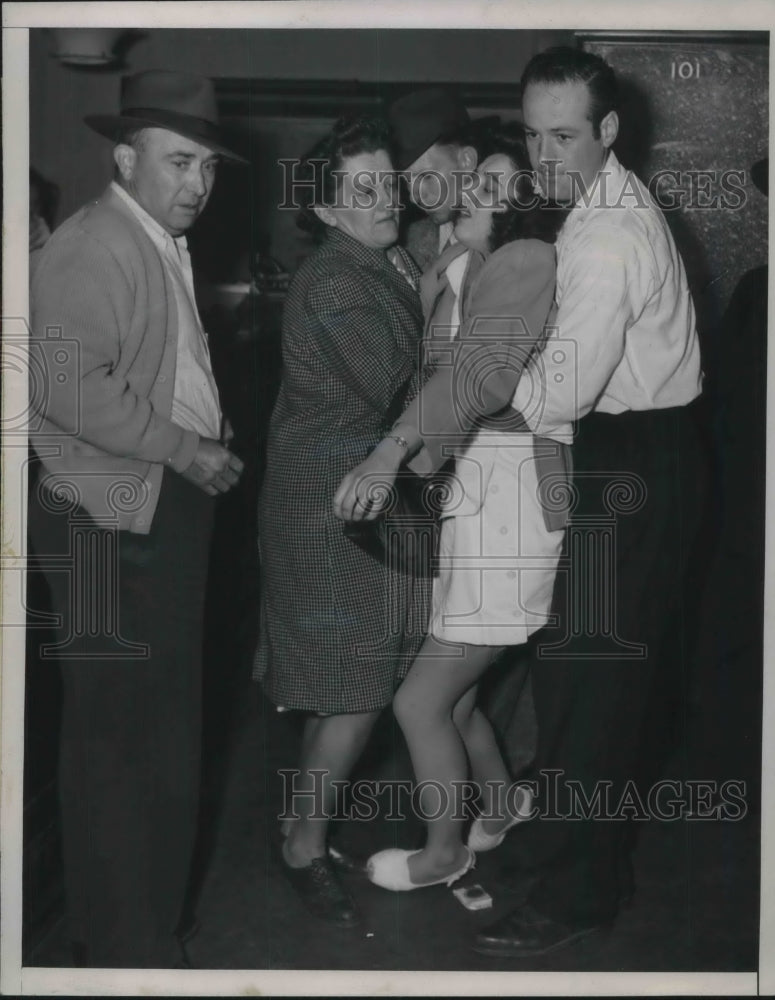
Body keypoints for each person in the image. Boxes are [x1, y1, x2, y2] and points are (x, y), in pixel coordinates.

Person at [471, 47, 705, 958]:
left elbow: (556, 394)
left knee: (592, 687)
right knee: (576, 679)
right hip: (631, 452)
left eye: (563, 136)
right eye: (531, 136)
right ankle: (563, 847)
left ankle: (580, 896)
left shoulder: (605, 235)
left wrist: (473, 379)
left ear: (608, 131)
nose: (543, 156)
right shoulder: (593, 203)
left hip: (632, 462)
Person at [27, 70, 245, 968]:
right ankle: (131, 951)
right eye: (178, 160)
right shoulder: (97, 241)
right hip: (113, 519)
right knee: (129, 746)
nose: (197, 183)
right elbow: (63, 381)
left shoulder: (148, 234)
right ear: (126, 157)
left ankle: (124, 935)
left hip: (147, 507)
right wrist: (185, 448)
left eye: (208, 166)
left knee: (141, 738)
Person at [334, 124, 569, 890]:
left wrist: (391, 450)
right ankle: (497, 806)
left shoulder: (527, 260)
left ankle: (444, 854)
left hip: (512, 506)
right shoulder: (475, 261)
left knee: (420, 701)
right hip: (480, 496)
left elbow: (480, 381)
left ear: (524, 209)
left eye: (490, 185)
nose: (467, 192)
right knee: (458, 696)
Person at [254, 115, 430, 927]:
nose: (383, 197)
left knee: (354, 685)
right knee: (351, 691)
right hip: (331, 511)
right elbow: (397, 391)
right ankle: (299, 846)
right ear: (325, 210)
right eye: (362, 189)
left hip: (356, 502)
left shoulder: (378, 259)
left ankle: (302, 827)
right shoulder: (333, 279)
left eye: (387, 181)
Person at [389, 87, 486, 270]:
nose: (415, 196)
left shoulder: (510, 239)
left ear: (466, 160)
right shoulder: (411, 246)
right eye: (407, 181)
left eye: (426, 177)